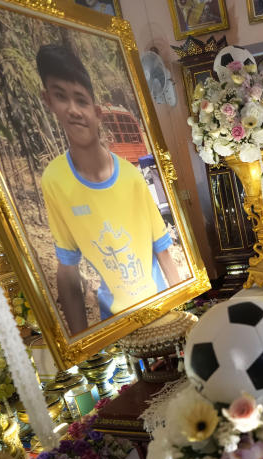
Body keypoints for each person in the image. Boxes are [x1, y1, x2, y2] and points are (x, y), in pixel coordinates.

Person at [36, 44, 180, 335]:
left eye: (81, 100)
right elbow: (67, 267)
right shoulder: (54, 180)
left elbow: (163, 249)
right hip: (113, 321)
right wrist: (84, 345)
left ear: (97, 111)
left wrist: (179, 313)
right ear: (48, 101)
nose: (74, 110)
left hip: (158, 305)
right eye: (61, 96)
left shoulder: (131, 177)